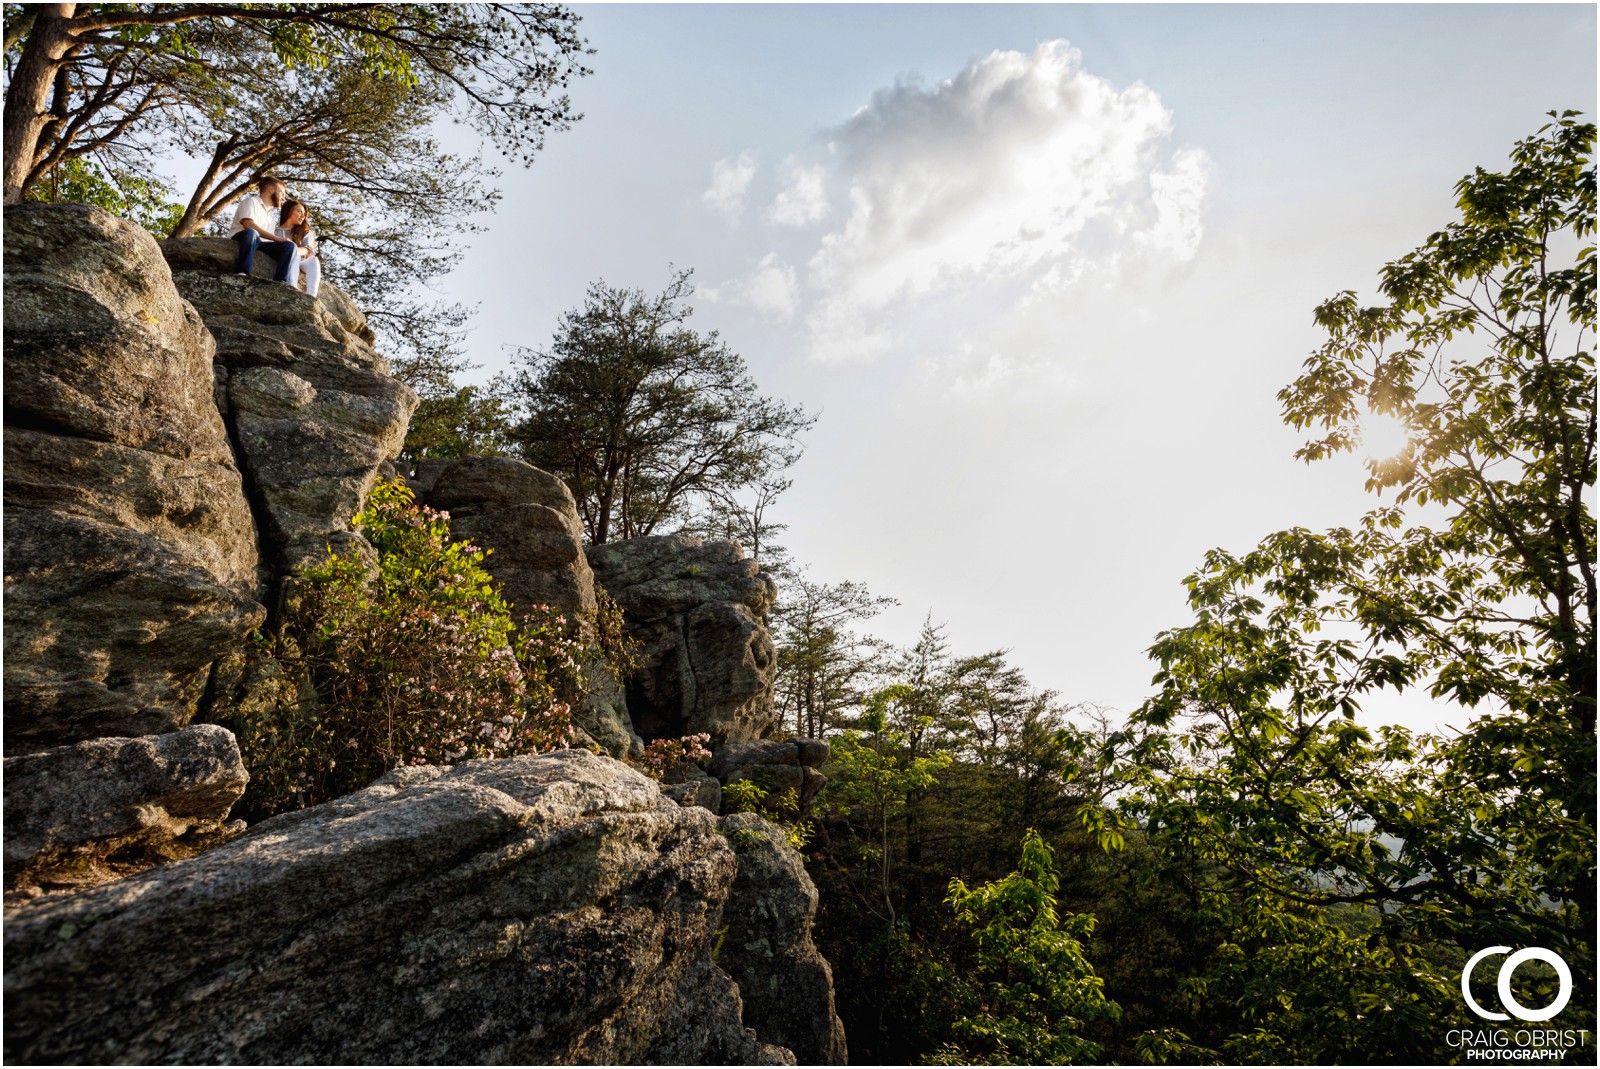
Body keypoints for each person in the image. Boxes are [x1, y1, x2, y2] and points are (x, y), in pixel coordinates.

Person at [229, 176, 298, 282]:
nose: (283, 198)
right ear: (271, 190)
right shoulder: (252, 201)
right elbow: (248, 224)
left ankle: (280, 281)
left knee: (289, 246)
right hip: (244, 238)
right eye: (282, 194)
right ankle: (242, 272)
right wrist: (277, 238)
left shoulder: (271, 217)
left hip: (261, 244)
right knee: (252, 233)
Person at [275, 199, 321, 298]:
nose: (303, 216)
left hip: (302, 261)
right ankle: (292, 287)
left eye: (304, 214)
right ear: (288, 211)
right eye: (299, 211)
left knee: (314, 260)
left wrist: (293, 250)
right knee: (293, 254)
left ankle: (311, 297)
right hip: (282, 259)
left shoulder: (305, 232)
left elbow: (308, 249)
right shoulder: (274, 230)